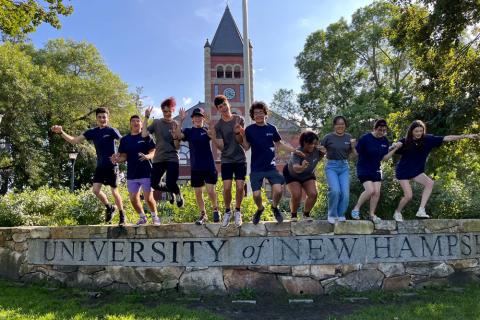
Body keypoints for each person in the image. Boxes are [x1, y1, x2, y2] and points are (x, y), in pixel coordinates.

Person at [51, 107, 125, 225]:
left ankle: (122, 215)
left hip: (112, 166)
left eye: (104, 117)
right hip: (100, 166)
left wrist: (119, 154)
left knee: (114, 192)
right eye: (100, 117)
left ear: (107, 118)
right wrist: (61, 132)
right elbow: (74, 141)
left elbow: (124, 141)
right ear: (96, 118)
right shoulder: (92, 132)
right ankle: (109, 207)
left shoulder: (112, 130)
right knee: (95, 190)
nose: (102, 119)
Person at [392, 120, 478, 221]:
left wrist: (466, 136)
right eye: (416, 131)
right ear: (411, 132)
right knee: (409, 196)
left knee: (430, 183)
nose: (419, 133)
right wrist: (395, 145)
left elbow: (447, 138)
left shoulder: (428, 139)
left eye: (421, 131)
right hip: (403, 171)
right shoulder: (405, 141)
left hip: (416, 171)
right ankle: (397, 212)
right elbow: (395, 146)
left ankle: (421, 210)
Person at [238, 101, 304, 224]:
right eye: (256, 113)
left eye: (261, 112)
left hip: (270, 167)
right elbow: (246, 147)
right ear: (253, 115)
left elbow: (280, 144)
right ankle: (260, 209)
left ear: (265, 114)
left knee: (278, 190)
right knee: (256, 195)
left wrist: (295, 150)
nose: (258, 115)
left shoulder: (272, 128)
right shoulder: (250, 130)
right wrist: (240, 135)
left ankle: (274, 207)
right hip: (256, 168)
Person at [173, 107, 220, 225]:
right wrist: (181, 120)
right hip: (195, 167)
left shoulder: (206, 130)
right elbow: (178, 135)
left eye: (200, 117)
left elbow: (214, 135)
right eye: (196, 117)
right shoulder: (189, 131)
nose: (198, 119)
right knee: (198, 192)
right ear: (193, 119)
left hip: (209, 166)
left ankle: (215, 210)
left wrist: (210, 124)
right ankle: (203, 215)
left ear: (203, 119)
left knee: (210, 191)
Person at [350, 119, 402, 222]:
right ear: (374, 128)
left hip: (376, 169)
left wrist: (395, 149)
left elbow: (385, 158)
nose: (382, 132)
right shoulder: (366, 138)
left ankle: (372, 215)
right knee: (370, 190)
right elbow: (356, 154)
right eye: (379, 130)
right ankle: (356, 209)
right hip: (363, 168)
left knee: (377, 192)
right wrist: (352, 147)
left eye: (384, 130)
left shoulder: (385, 141)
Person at [111, 115, 160, 225]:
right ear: (130, 124)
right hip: (132, 174)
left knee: (148, 198)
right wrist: (117, 160)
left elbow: (154, 151)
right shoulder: (125, 140)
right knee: (133, 199)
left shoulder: (146, 136)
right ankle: (142, 217)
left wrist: (147, 156)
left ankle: (155, 217)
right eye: (133, 121)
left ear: (141, 124)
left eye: (138, 121)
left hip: (146, 172)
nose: (136, 122)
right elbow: (124, 157)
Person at [142, 97, 184, 208]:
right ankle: (170, 191)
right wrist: (146, 117)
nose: (167, 114)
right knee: (154, 184)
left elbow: (178, 147)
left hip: (172, 158)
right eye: (165, 111)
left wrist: (176, 134)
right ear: (162, 111)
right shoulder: (156, 123)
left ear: (173, 111)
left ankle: (178, 194)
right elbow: (144, 134)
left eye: (170, 111)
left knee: (171, 182)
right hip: (159, 158)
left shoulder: (176, 124)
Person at [212, 95, 246, 227]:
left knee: (239, 187)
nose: (223, 108)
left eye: (224, 105)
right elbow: (220, 146)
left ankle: (238, 211)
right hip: (226, 159)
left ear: (228, 104)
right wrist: (213, 135)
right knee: (226, 188)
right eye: (220, 107)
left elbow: (241, 141)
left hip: (240, 159)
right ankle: (227, 211)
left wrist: (238, 132)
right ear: (218, 110)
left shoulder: (239, 119)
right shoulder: (218, 126)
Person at [283, 131, 325, 221]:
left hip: (308, 174)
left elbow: (318, 158)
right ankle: (293, 215)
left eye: (314, 143)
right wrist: (302, 167)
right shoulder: (298, 152)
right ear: (304, 143)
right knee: (297, 194)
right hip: (292, 174)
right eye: (310, 143)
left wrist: (323, 153)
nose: (312, 146)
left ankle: (306, 214)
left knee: (313, 194)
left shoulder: (317, 151)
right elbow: (296, 168)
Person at [321, 116, 356, 224]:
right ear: (334, 125)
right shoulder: (328, 137)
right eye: (338, 124)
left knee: (345, 194)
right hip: (331, 166)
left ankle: (340, 214)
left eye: (342, 124)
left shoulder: (349, 137)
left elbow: (354, 155)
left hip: (344, 167)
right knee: (335, 191)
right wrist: (322, 150)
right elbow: (319, 150)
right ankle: (332, 214)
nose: (340, 126)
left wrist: (354, 146)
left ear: (345, 125)